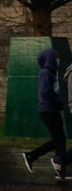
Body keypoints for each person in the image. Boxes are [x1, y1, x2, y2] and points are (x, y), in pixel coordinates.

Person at [22, 47, 69, 180]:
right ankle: (34, 156)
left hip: (51, 109)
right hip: (49, 109)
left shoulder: (51, 73)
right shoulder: (46, 73)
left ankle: (58, 166)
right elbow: (45, 92)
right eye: (56, 58)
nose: (58, 61)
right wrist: (59, 101)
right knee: (59, 139)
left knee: (59, 139)